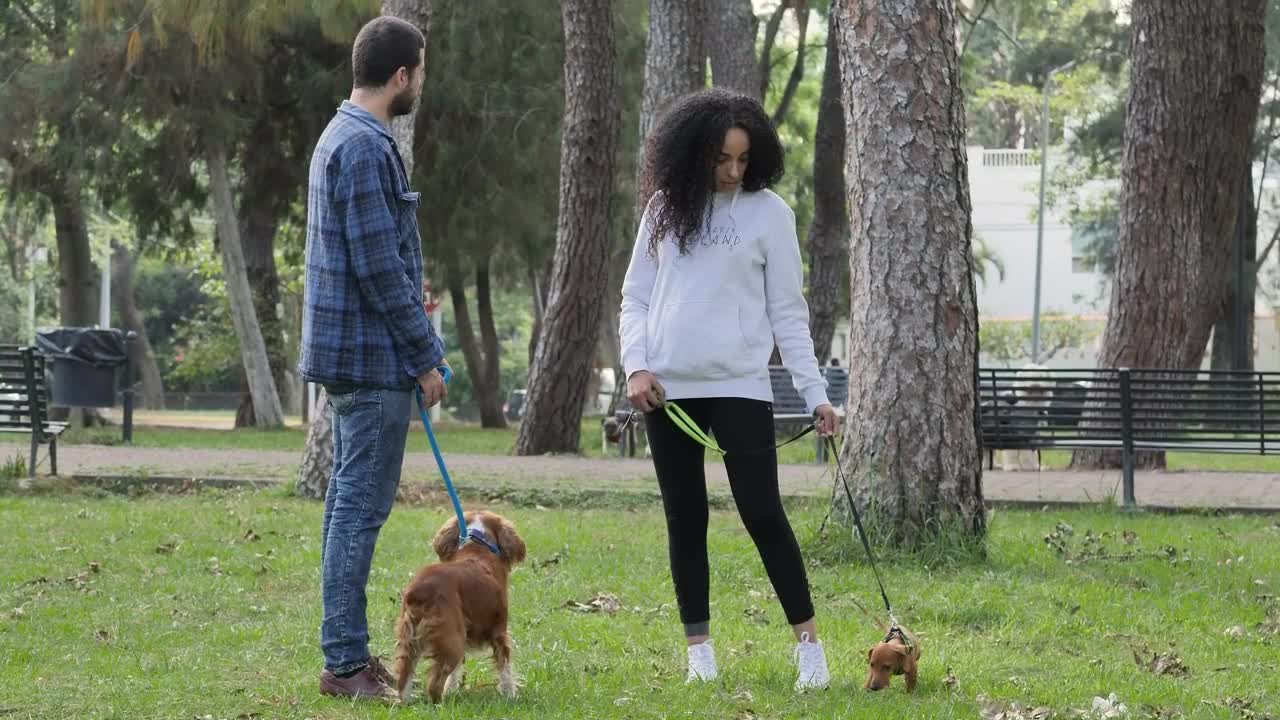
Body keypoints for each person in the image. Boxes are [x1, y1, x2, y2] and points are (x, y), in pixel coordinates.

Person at [619, 88, 838, 692]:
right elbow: (635, 297)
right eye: (722, 159)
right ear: (695, 153)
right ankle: (700, 655)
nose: (734, 171)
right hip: (667, 390)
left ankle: (811, 651)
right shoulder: (664, 208)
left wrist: (816, 393)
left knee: (764, 512)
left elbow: (789, 316)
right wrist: (636, 367)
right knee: (684, 517)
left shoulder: (772, 214)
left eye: (743, 159)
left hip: (742, 386)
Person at [298, 15, 448, 700]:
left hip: (353, 352)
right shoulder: (363, 147)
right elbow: (376, 267)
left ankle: (346, 655)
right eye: (419, 68)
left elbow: (378, 255)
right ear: (400, 76)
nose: (421, 79)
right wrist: (425, 356)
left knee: (346, 507)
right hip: (370, 357)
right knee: (359, 509)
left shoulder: (345, 136)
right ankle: (347, 664)